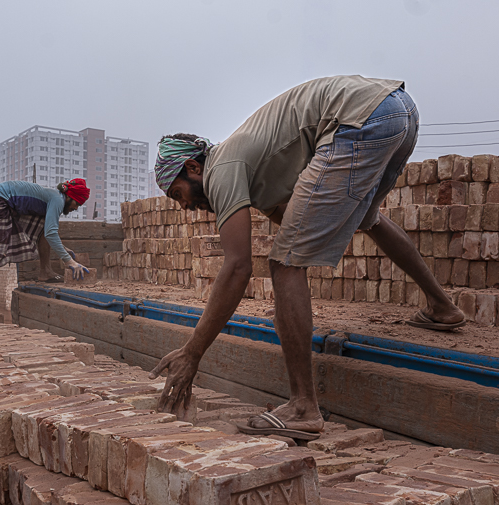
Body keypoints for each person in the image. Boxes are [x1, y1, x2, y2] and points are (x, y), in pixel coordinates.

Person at [148, 75, 466, 439]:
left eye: (178, 194)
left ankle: (303, 406)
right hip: (397, 111)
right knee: (366, 218)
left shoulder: (221, 169)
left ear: (193, 168)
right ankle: (442, 307)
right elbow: (299, 223)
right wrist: (288, 306)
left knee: (283, 263)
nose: (186, 206)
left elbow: (238, 266)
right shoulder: (251, 170)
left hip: (359, 120)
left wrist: (192, 353)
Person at [0, 178, 91, 320]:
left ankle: (46, 271)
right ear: (69, 197)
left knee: (42, 226)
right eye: (77, 203)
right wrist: (69, 261)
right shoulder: (58, 200)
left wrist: (63, 248)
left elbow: (48, 231)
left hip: (10, 205)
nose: (76, 208)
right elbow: (51, 233)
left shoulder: (53, 198)